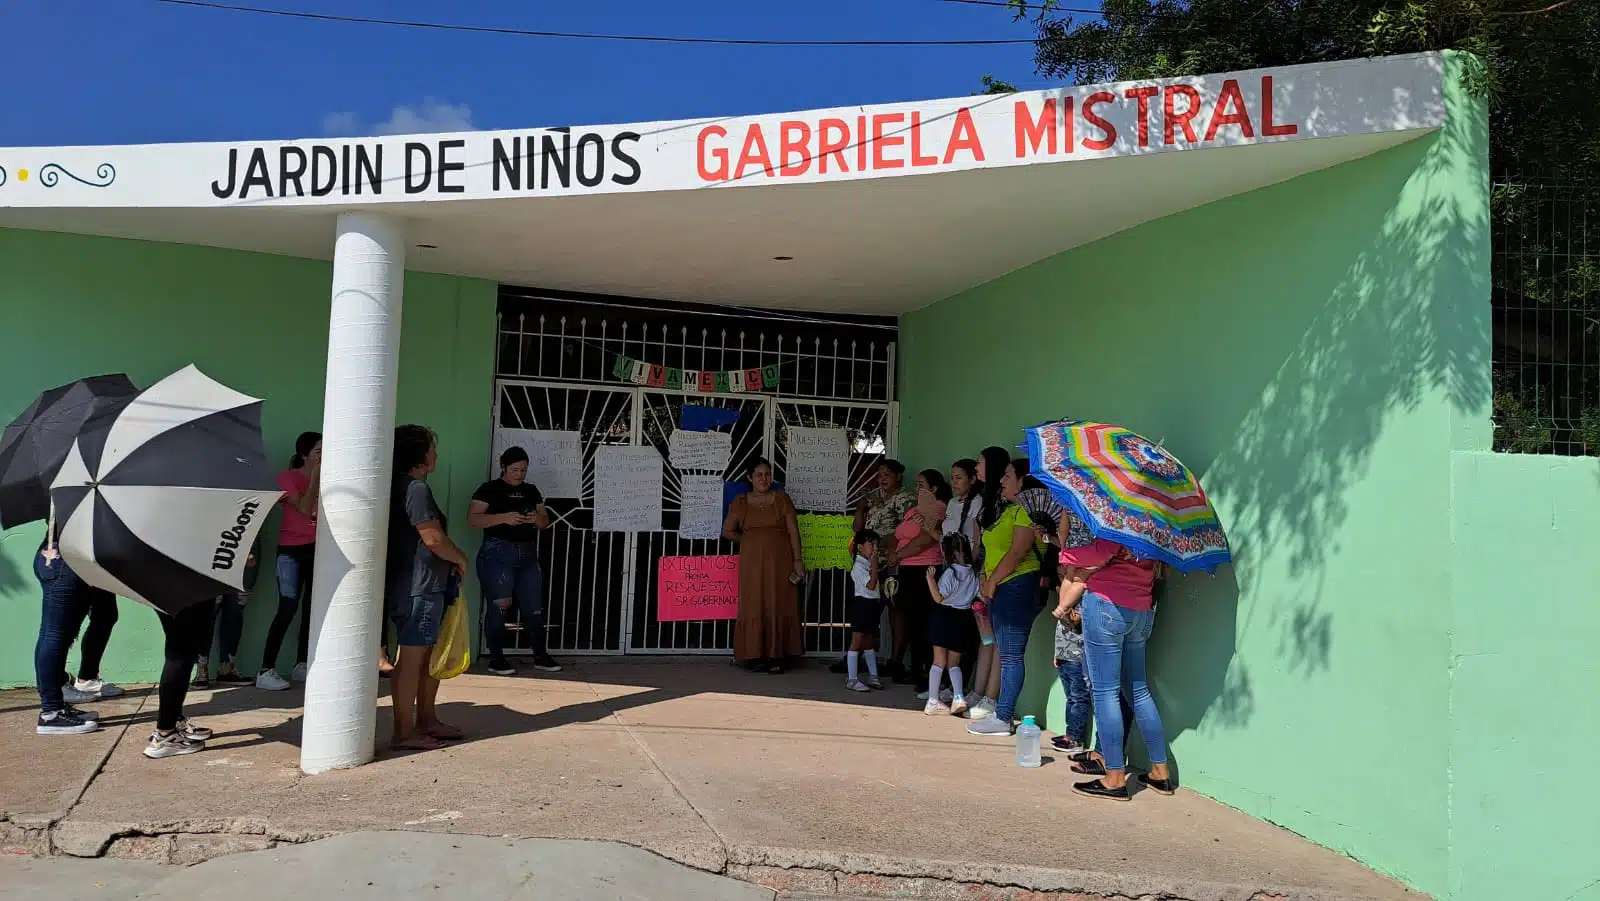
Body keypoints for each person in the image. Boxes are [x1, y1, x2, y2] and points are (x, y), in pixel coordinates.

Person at [1060, 537, 1173, 802]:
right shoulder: (1155, 524)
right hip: (1141, 610)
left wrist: (1065, 554)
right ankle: (1160, 772)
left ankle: (1114, 778)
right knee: (1138, 691)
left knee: (1104, 692)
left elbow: (1100, 552)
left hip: (1107, 606)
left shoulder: (1122, 519)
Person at [385, 425, 470, 752]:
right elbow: (432, 538)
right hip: (418, 585)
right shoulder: (415, 489)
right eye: (432, 448)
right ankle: (404, 731)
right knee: (412, 658)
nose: (436, 454)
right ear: (419, 456)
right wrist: (460, 557)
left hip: (424, 583)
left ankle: (427, 720)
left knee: (427, 655)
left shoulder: (403, 487)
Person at [967, 454, 1043, 737]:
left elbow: (1017, 551)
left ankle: (1003, 716)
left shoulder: (1026, 511)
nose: (1002, 480)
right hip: (1001, 586)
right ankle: (1001, 713)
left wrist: (993, 581)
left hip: (1016, 586)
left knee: (1011, 655)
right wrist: (987, 577)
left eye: (1009, 475)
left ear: (1023, 481)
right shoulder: (1010, 510)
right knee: (1004, 649)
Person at [468, 446, 559, 676]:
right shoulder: (489, 489)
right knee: (500, 606)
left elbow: (544, 522)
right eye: (515, 469)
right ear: (503, 468)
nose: (519, 474)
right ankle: (496, 658)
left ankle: (540, 655)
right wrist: (504, 518)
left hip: (527, 553)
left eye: (524, 470)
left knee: (533, 608)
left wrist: (534, 518)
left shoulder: (531, 490)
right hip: (497, 553)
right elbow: (473, 519)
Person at [723, 457, 805, 674]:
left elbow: (793, 532)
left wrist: (798, 560)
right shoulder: (740, 502)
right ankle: (753, 655)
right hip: (752, 563)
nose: (764, 478)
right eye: (759, 475)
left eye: (767, 474)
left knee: (778, 601)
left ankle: (776, 655)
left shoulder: (781, 499)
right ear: (750, 478)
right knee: (754, 603)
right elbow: (728, 531)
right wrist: (751, 542)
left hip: (781, 560)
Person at [257, 431, 321, 691]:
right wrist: (316, 476)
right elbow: (305, 509)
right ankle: (266, 669)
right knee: (288, 605)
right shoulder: (287, 478)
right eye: (319, 451)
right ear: (305, 454)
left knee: (312, 608)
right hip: (291, 551)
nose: (324, 456)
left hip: (318, 549)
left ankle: (302, 663)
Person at [839, 460, 915, 679]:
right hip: (869, 563)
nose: (882, 478)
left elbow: (907, 531)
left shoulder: (905, 499)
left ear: (899, 476)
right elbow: (858, 528)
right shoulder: (874, 496)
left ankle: (895, 660)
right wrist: (861, 508)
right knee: (866, 612)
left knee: (896, 611)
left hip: (892, 562)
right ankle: (856, 655)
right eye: (880, 474)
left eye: (887, 474)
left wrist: (881, 543)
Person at [31, 543, 114, 735]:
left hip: (63, 559)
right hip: (65, 562)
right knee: (54, 634)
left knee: (58, 633)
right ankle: (51, 713)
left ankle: (55, 706)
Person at [962, 446, 1010, 719]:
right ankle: (977, 691)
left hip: (996, 577)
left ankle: (991, 698)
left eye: (980, 462)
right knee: (985, 636)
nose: (976, 467)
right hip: (980, 574)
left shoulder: (1005, 503)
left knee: (999, 640)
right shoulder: (982, 498)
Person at [890, 469, 948, 694]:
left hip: (924, 569)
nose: (917, 489)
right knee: (909, 621)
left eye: (922, 485)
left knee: (922, 621)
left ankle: (924, 670)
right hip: (906, 570)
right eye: (916, 484)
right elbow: (899, 535)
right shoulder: (913, 510)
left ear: (933, 489)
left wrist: (899, 555)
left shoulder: (937, 508)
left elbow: (926, 539)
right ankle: (914, 668)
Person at [145, 602, 216, 759]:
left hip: (163, 585)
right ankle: (165, 733)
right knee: (181, 653)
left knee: (176, 645)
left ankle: (173, 722)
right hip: (191, 586)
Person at [923, 533, 978, 716]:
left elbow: (939, 598)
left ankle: (932, 701)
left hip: (943, 616)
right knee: (954, 662)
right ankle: (959, 697)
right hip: (962, 618)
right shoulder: (973, 573)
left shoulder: (949, 572)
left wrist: (930, 580)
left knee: (938, 661)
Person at [193, 542, 259, 689]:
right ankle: (201, 670)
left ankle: (227, 669)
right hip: (213, 560)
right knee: (207, 616)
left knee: (234, 615)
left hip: (245, 558)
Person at [844, 529, 885, 692]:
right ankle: (852, 679)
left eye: (876, 545)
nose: (875, 549)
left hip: (872, 605)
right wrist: (875, 566)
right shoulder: (858, 566)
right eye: (871, 544)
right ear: (860, 547)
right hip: (861, 605)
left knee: (869, 641)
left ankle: (873, 676)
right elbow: (871, 584)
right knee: (857, 641)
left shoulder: (867, 563)